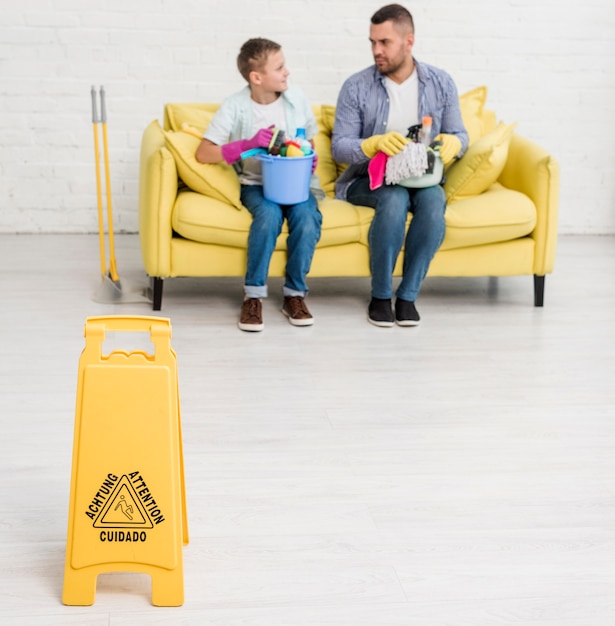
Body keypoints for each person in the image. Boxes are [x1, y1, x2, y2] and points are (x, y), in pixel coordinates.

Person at [331, 4, 468, 327]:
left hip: (423, 178)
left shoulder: (441, 83)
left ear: (409, 41)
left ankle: (407, 296)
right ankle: (380, 296)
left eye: (385, 42)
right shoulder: (356, 86)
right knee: (393, 199)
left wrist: (456, 143)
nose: (376, 50)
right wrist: (371, 144)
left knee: (434, 202)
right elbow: (340, 146)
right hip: (370, 178)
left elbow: (460, 133)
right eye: (372, 42)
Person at [196, 38, 322, 332]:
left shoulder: (296, 99)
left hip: (296, 184)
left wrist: (310, 157)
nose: (287, 72)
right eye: (279, 67)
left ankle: (294, 295)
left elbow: (309, 140)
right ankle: (253, 296)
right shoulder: (235, 106)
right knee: (268, 216)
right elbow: (204, 153)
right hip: (256, 184)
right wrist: (249, 145)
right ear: (257, 77)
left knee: (307, 218)